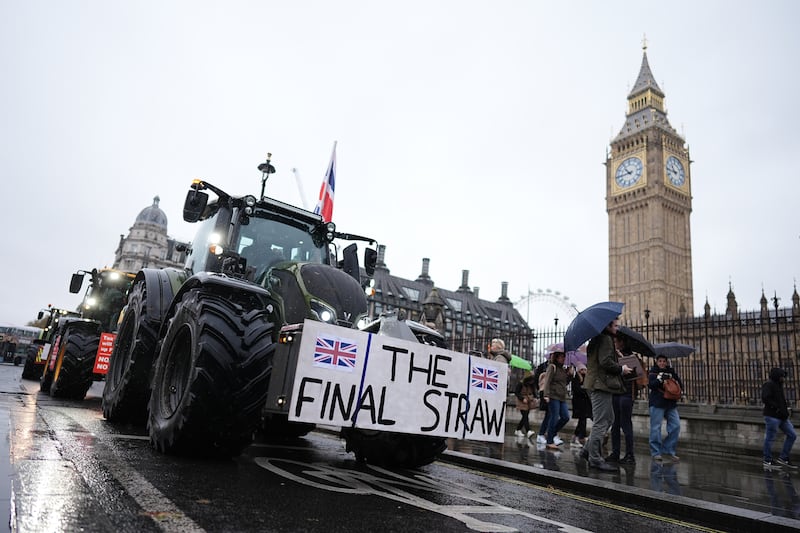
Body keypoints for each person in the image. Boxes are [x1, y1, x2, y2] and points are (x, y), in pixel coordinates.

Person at [581, 319, 632, 471]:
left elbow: (601, 359)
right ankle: (595, 458)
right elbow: (605, 362)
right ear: (607, 326)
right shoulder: (605, 339)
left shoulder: (597, 339)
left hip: (598, 384)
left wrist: (615, 355)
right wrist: (621, 368)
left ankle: (586, 451)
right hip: (600, 384)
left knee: (609, 418)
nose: (617, 328)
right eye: (615, 325)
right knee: (601, 421)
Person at [648, 354, 684, 462]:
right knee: (656, 428)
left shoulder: (671, 372)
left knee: (676, 426)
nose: (662, 363)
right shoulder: (653, 372)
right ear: (656, 362)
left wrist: (672, 379)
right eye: (660, 361)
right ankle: (656, 452)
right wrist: (660, 379)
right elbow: (650, 385)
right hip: (657, 403)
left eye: (664, 361)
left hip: (670, 403)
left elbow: (680, 384)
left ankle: (668, 450)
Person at [607, 336, 637, 464]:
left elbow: (633, 375)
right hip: (615, 393)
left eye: (616, 341)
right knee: (615, 426)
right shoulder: (612, 356)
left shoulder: (631, 357)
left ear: (622, 342)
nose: (614, 343)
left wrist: (622, 359)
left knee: (626, 425)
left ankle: (630, 455)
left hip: (626, 394)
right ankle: (615, 453)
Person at [762, 367, 798, 469]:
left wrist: (784, 410)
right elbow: (765, 398)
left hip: (782, 417)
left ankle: (783, 457)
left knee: (792, 435)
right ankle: (767, 460)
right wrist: (777, 408)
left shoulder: (779, 385)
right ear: (777, 376)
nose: (783, 378)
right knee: (770, 439)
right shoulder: (768, 384)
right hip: (772, 416)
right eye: (782, 376)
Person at [541, 351, 572, 450]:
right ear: (556, 357)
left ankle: (552, 433)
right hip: (553, 396)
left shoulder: (563, 369)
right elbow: (547, 381)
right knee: (554, 417)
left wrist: (570, 374)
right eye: (561, 357)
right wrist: (546, 395)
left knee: (565, 417)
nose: (563, 359)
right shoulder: (552, 367)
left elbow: (564, 383)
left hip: (562, 397)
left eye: (564, 357)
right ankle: (549, 441)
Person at [570, 362, 592, 447]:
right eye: (581, 369)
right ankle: (580, 437)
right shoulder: (576, 378)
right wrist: (584, 390)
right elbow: (577, 390)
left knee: (583, 420)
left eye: (585, 369)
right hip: (579, 403)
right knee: (582, 420)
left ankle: (576, 436)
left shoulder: (587, 378)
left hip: (585, 403)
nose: (583, 371)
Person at [514, 372, 537, 439]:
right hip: (521, 401)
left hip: (528, 401)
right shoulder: (521, 384)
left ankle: (518, 430)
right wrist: (522, 398)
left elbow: (533, 392)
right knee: (525, 415)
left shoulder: (531, 384)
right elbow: (517, 392)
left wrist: (535, 397)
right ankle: (528, 430)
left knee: (524, 416)